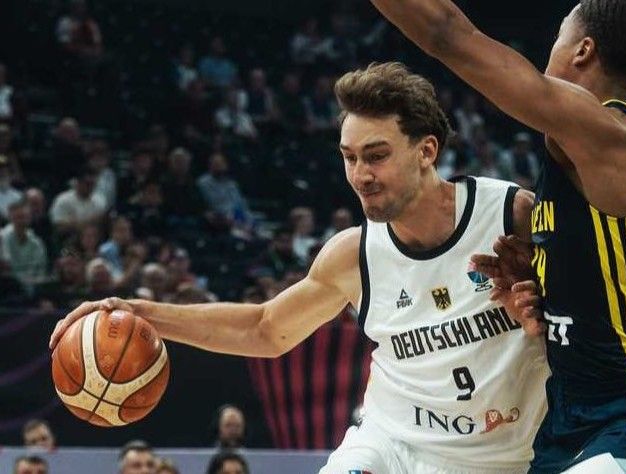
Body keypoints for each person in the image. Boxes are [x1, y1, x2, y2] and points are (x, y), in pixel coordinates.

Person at [51, 63, 548, 474]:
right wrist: (138, 312)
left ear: (427, 150)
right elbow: (266, 329)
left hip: (505, 458)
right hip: (391, 447)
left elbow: (585, 320)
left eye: (376, 156)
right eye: (349, 158)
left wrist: (544, 308)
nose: (361, 175)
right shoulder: (354, 255)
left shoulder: (513, 215)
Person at [370, 1, 626, 471]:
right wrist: (541, 287)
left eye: (557, 37)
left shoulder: (613, 134)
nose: (549, 52)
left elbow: (448, 33)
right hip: (567, 419)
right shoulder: (585, 152)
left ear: (583, 50)